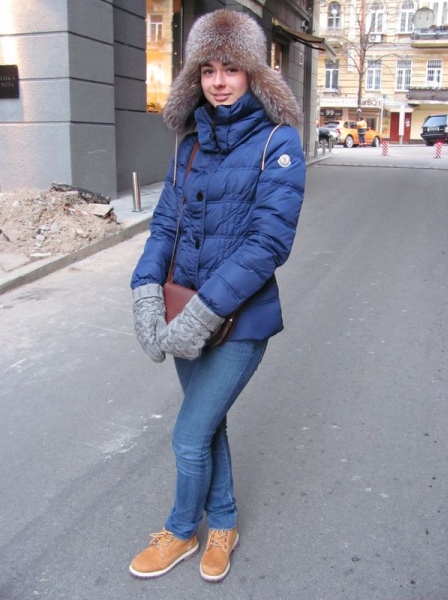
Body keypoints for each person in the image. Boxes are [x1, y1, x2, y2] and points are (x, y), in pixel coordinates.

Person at [129, 9, 306, 583]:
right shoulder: (190, 144)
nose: (219, 81)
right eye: (208, 69)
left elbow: (268, 243)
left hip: (239, 322)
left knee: (188, 435)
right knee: (210, 424)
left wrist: (205, 312)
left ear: (254, 71)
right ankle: (223, 522)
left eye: (231, 68)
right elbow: (164, 226)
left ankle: (182, 530)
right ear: (196, 77)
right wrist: (145, 292)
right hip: (181, 310)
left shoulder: (278, 142)